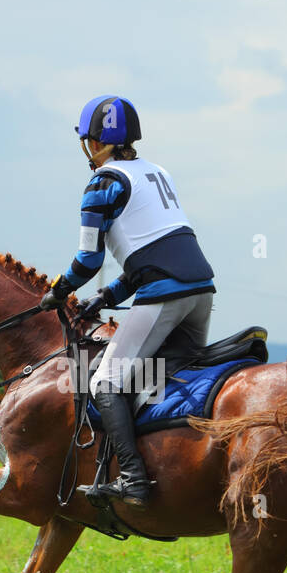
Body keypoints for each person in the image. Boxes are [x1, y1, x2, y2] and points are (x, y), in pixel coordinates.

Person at [40, 95, 216, 507]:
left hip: (166, 297)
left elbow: (87, 259)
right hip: (201, 292)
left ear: (97, 142)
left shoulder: (102, 183)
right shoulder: (157, 172)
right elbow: (148, 257)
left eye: (87, 140)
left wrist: (59, 291)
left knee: (104, 381)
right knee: (160, 378)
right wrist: (106, 297)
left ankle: (134, 480)